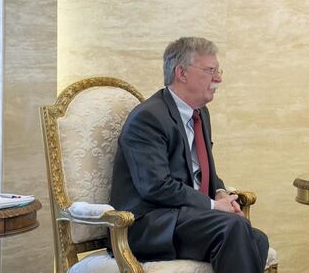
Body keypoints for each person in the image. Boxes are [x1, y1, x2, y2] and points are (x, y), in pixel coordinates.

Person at [109, 37, 270, 273]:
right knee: (233, 228)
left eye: (218, 70)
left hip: (185, 218)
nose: (218, 78)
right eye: (210, 70)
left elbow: (202, 170)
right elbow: (155, 186)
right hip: (146, 224)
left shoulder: (199, 113)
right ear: (182, 72)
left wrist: (221, 193)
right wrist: (214, 206)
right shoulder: (149, 118)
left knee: (258, 239)